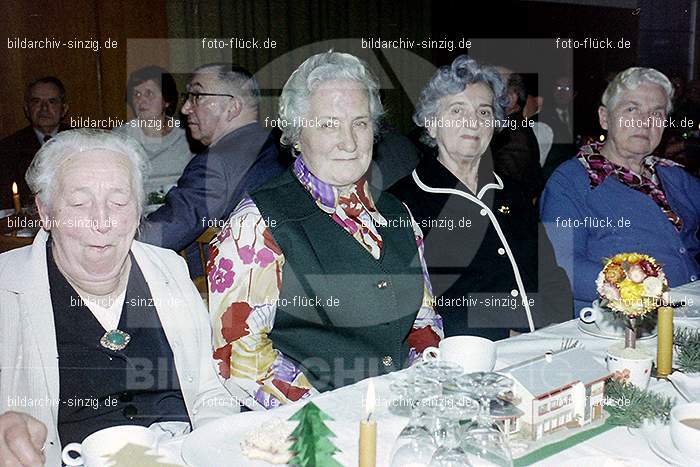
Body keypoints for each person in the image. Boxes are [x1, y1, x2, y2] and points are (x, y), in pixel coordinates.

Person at [208, 52, 443, 409]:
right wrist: (331, 415)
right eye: (328, 124)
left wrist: (417, 387)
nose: (348, 142)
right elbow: (240, 357)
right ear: (297, 135)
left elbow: (424, 321)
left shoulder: (398, 213)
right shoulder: (255, 228)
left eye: (360, 123)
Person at [0, 129, 240, 466]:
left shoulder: (169, 269)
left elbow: (210, 391)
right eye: (80, 202)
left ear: (140, 210)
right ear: (45, 211)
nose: (102, 221)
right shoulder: (6, 286)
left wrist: (208, 454)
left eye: (119, 202)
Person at [390, 56, 572, 339]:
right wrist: (503, 336)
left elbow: (551, 275)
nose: (472, 122)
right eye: (457, 111)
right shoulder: (402, 204)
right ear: (431, 124)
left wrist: (556, 331)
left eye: (484, 112)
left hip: (545, 346)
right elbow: (417, 307)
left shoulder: (512, 192)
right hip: (468, 358)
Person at [540, 67, 700, 315]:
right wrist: (641, 289)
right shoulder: (571, 181)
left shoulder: (677, 177)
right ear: (605, 118)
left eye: (656, 113)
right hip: (620, 325)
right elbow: (561, 267)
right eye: (631, 109)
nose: (645, 122)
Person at [138, 63, 285, 252]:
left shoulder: (215, 164)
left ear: (232, 107)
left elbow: (163, 234)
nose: (184, 109)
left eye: (197, 97)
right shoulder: (280, 146)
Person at [114, 66, 192, 196]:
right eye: (136, 94)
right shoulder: (120, 138)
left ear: (166, 101)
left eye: (149, 93)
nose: (141, 100)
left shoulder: (188, 137)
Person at [0, 76, 69, 209]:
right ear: (27, 109)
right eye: (36, 101)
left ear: (64, 109)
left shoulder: (82, 140)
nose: (44, 108)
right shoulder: (8, 149)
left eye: (52, 101)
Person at [490, 71, 544, 200]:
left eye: (493, 91)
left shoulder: (515, 136)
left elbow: (500, 187)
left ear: (510, 99)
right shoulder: (509, 129)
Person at [540, 74, 578, 181]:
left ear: (574, 93)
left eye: (567, 88)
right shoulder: (543, 118)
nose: (562, 92)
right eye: (558, 88)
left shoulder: (581, 117)